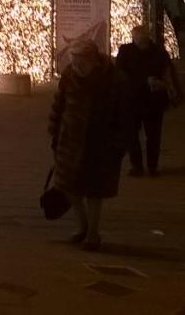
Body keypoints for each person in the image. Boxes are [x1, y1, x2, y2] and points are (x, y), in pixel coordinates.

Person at [49, 40, 133, 251]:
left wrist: (119, 144)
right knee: (69, 187)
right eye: (74, 62)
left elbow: (124, 114)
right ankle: (82, 226)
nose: (77, 67)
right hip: (70, 140)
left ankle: (93, 233)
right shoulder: (69, 76)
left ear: (93, 61)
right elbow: (59, 104)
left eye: (81, 63)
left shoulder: (113, 80)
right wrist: (55, 131)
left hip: (100, 143)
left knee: (94, 190)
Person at [116, 25, 178, 176]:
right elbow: (120, 73)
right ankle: (139, 166)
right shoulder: (126, 51)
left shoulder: (158, 52)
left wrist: (165, 86)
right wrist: (145, 81)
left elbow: (167, 72)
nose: (138, 40)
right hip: (132, 99)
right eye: (137, 37)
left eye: (141, 38)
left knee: (153, 135)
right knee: (133, 134)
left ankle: (151, 166)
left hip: (153, 100)